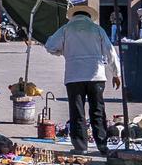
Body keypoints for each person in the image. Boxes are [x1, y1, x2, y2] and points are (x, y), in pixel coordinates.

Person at [44, 8, 121, 155]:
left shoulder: (66, 29)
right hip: (96, 77)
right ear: (89, 17)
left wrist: (62, 51)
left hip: (74, 77)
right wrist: (116, 74)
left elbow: (50, 46)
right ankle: (102, 145)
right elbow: (110, 51)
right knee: (98, 111)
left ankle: (81, 146)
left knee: (77, 112)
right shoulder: (97, 29)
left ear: (73, 16)